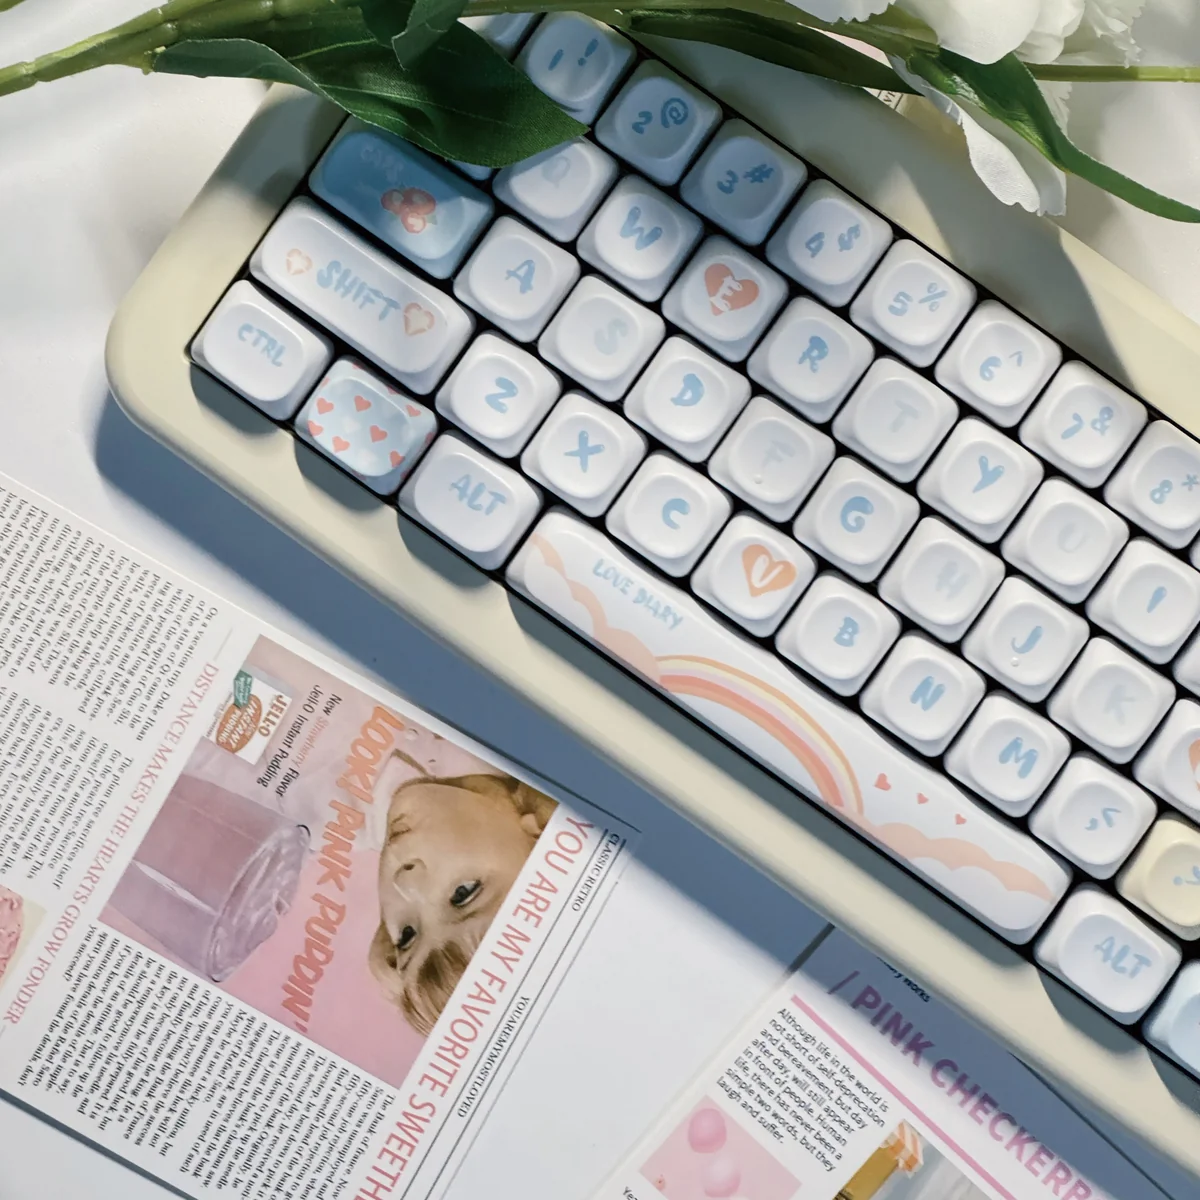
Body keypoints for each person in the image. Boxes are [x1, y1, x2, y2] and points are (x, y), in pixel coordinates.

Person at [368, 753, 556, 1035]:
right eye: (463, 893)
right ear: (541, 836)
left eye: (406, 936)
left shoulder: (330, 810)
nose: (405, 883)